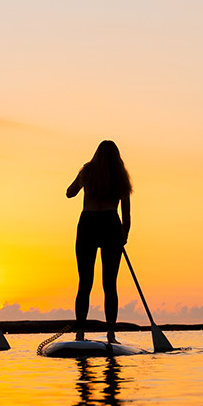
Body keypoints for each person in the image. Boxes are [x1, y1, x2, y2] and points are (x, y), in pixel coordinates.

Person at [67, 140, 132, 343]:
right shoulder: (120, 177)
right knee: (110, 283)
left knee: (85, 282)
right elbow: (127, 214)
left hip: (88, 224)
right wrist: (124, 235)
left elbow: (69, 193)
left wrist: (83, 180)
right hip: (110, 224)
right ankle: (111, 334)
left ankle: (80, 333)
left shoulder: (87, 171)